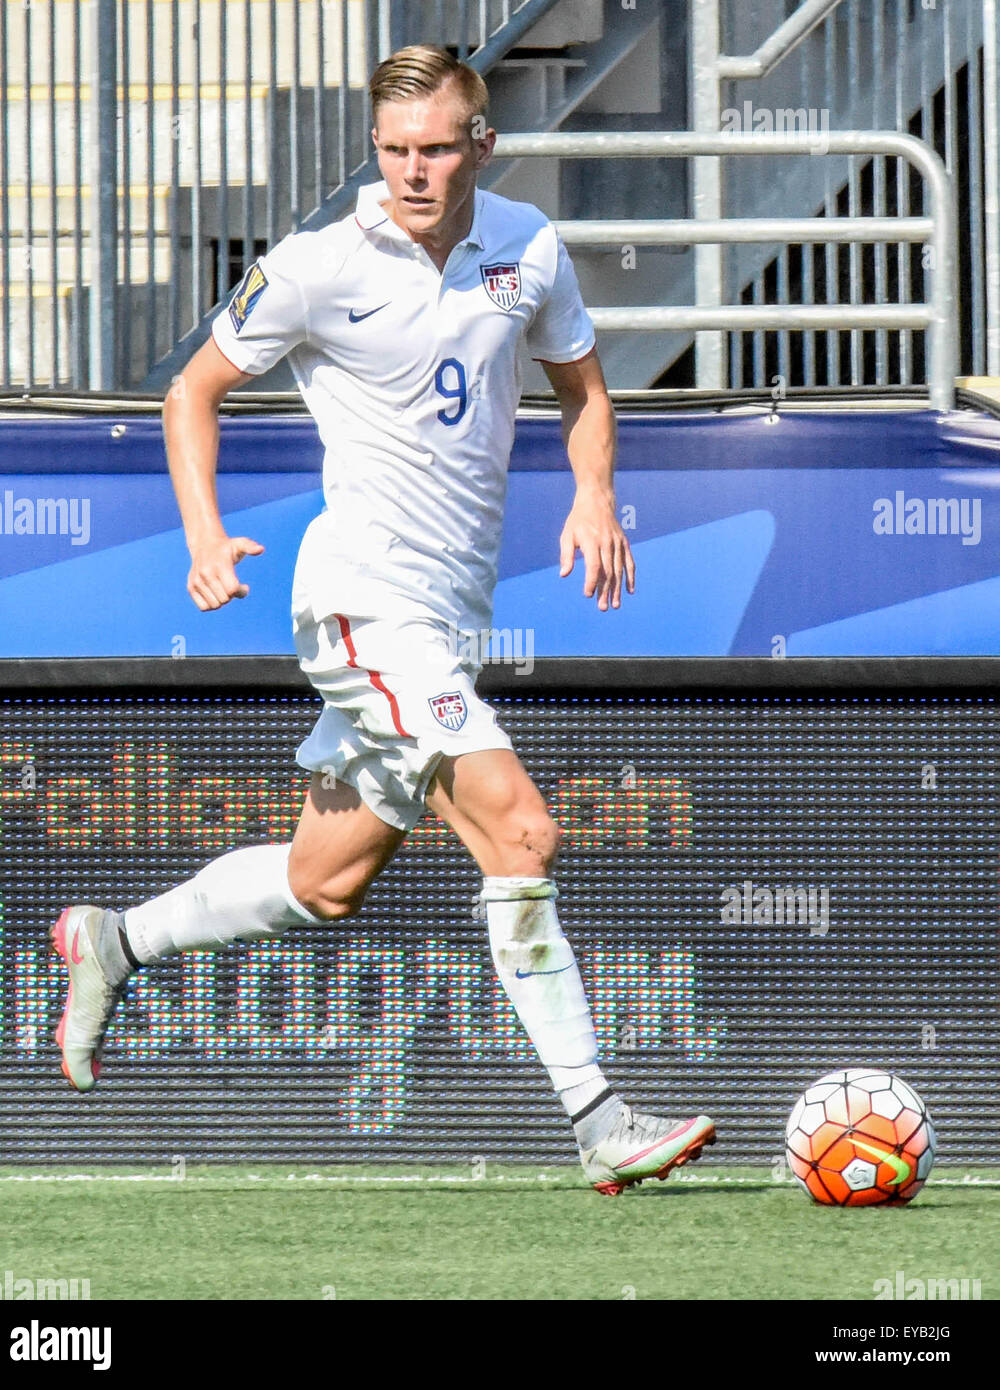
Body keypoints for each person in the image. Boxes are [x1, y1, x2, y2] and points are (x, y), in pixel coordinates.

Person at [52, 43, 714, 1194]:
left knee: (326, 880)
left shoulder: (530, 248)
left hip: (444, 613)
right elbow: (191, 390)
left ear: (480, 144)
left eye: (438, 147)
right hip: (360, 597)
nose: (415, 170)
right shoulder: (314, 264)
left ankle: (114, 938)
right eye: (396, 149)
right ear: (377, 149)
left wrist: (597, 495)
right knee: (518, 827)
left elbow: (583, 385)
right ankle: (598, 1119)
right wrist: (204, 535)